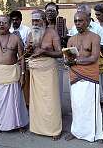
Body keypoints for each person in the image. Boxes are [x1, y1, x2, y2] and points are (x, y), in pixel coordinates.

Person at [64, 11, 103, 142]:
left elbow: (94, 58)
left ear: (87, 21)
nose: (77, 24)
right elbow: (67, 58)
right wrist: (67, 61)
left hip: (90, 76)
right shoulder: (71, 39)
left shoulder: (95, 37)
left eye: (80, 21)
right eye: (75, 21)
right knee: (77, 106)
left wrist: (76, 61)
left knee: (91, 106)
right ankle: (76, 132)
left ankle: (96, 134)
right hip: (75, 76)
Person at [0, 15, 29, 133]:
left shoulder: (15, 38)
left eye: (4, 22)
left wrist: (22, 75)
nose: (1, 24)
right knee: (1, 102)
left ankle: (19, 124)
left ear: (9, 24)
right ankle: (4, 125)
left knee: (16, 101)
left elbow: (21, 59)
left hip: (13, 73)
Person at [26, 10, 62, 140]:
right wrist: (29, 50)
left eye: (37, 20)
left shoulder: (52, 33)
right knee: (36, 102)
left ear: (44, 20)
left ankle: (54, 130)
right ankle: (37, 128)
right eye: (33, 21)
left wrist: (44, 52)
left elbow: (60, 53)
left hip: (48, 71)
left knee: (51, 101)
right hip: (35, 70)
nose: (35, 23)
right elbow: (28, 53)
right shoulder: (31, 34)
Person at [45, 2, 67, 104]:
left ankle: (58, 110)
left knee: (57, 86)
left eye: (52, 11)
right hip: (44, 59)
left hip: (57, 59)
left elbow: (65, 42)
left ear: (57, 13)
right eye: (48, 10)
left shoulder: (61, 26)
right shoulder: (42, 25)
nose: (50, 13)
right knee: (46, 87)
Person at [9, 10, 31, 107]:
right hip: (11, 62)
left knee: (25, 84)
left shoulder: (27, 30)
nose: (14, 22)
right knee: (14, 85)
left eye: (16, 20)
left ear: (21, 20)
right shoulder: (8, 30)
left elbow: (29, 47)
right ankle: (16, 105)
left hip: (24, 61)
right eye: (12, 20)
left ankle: (27, 104)